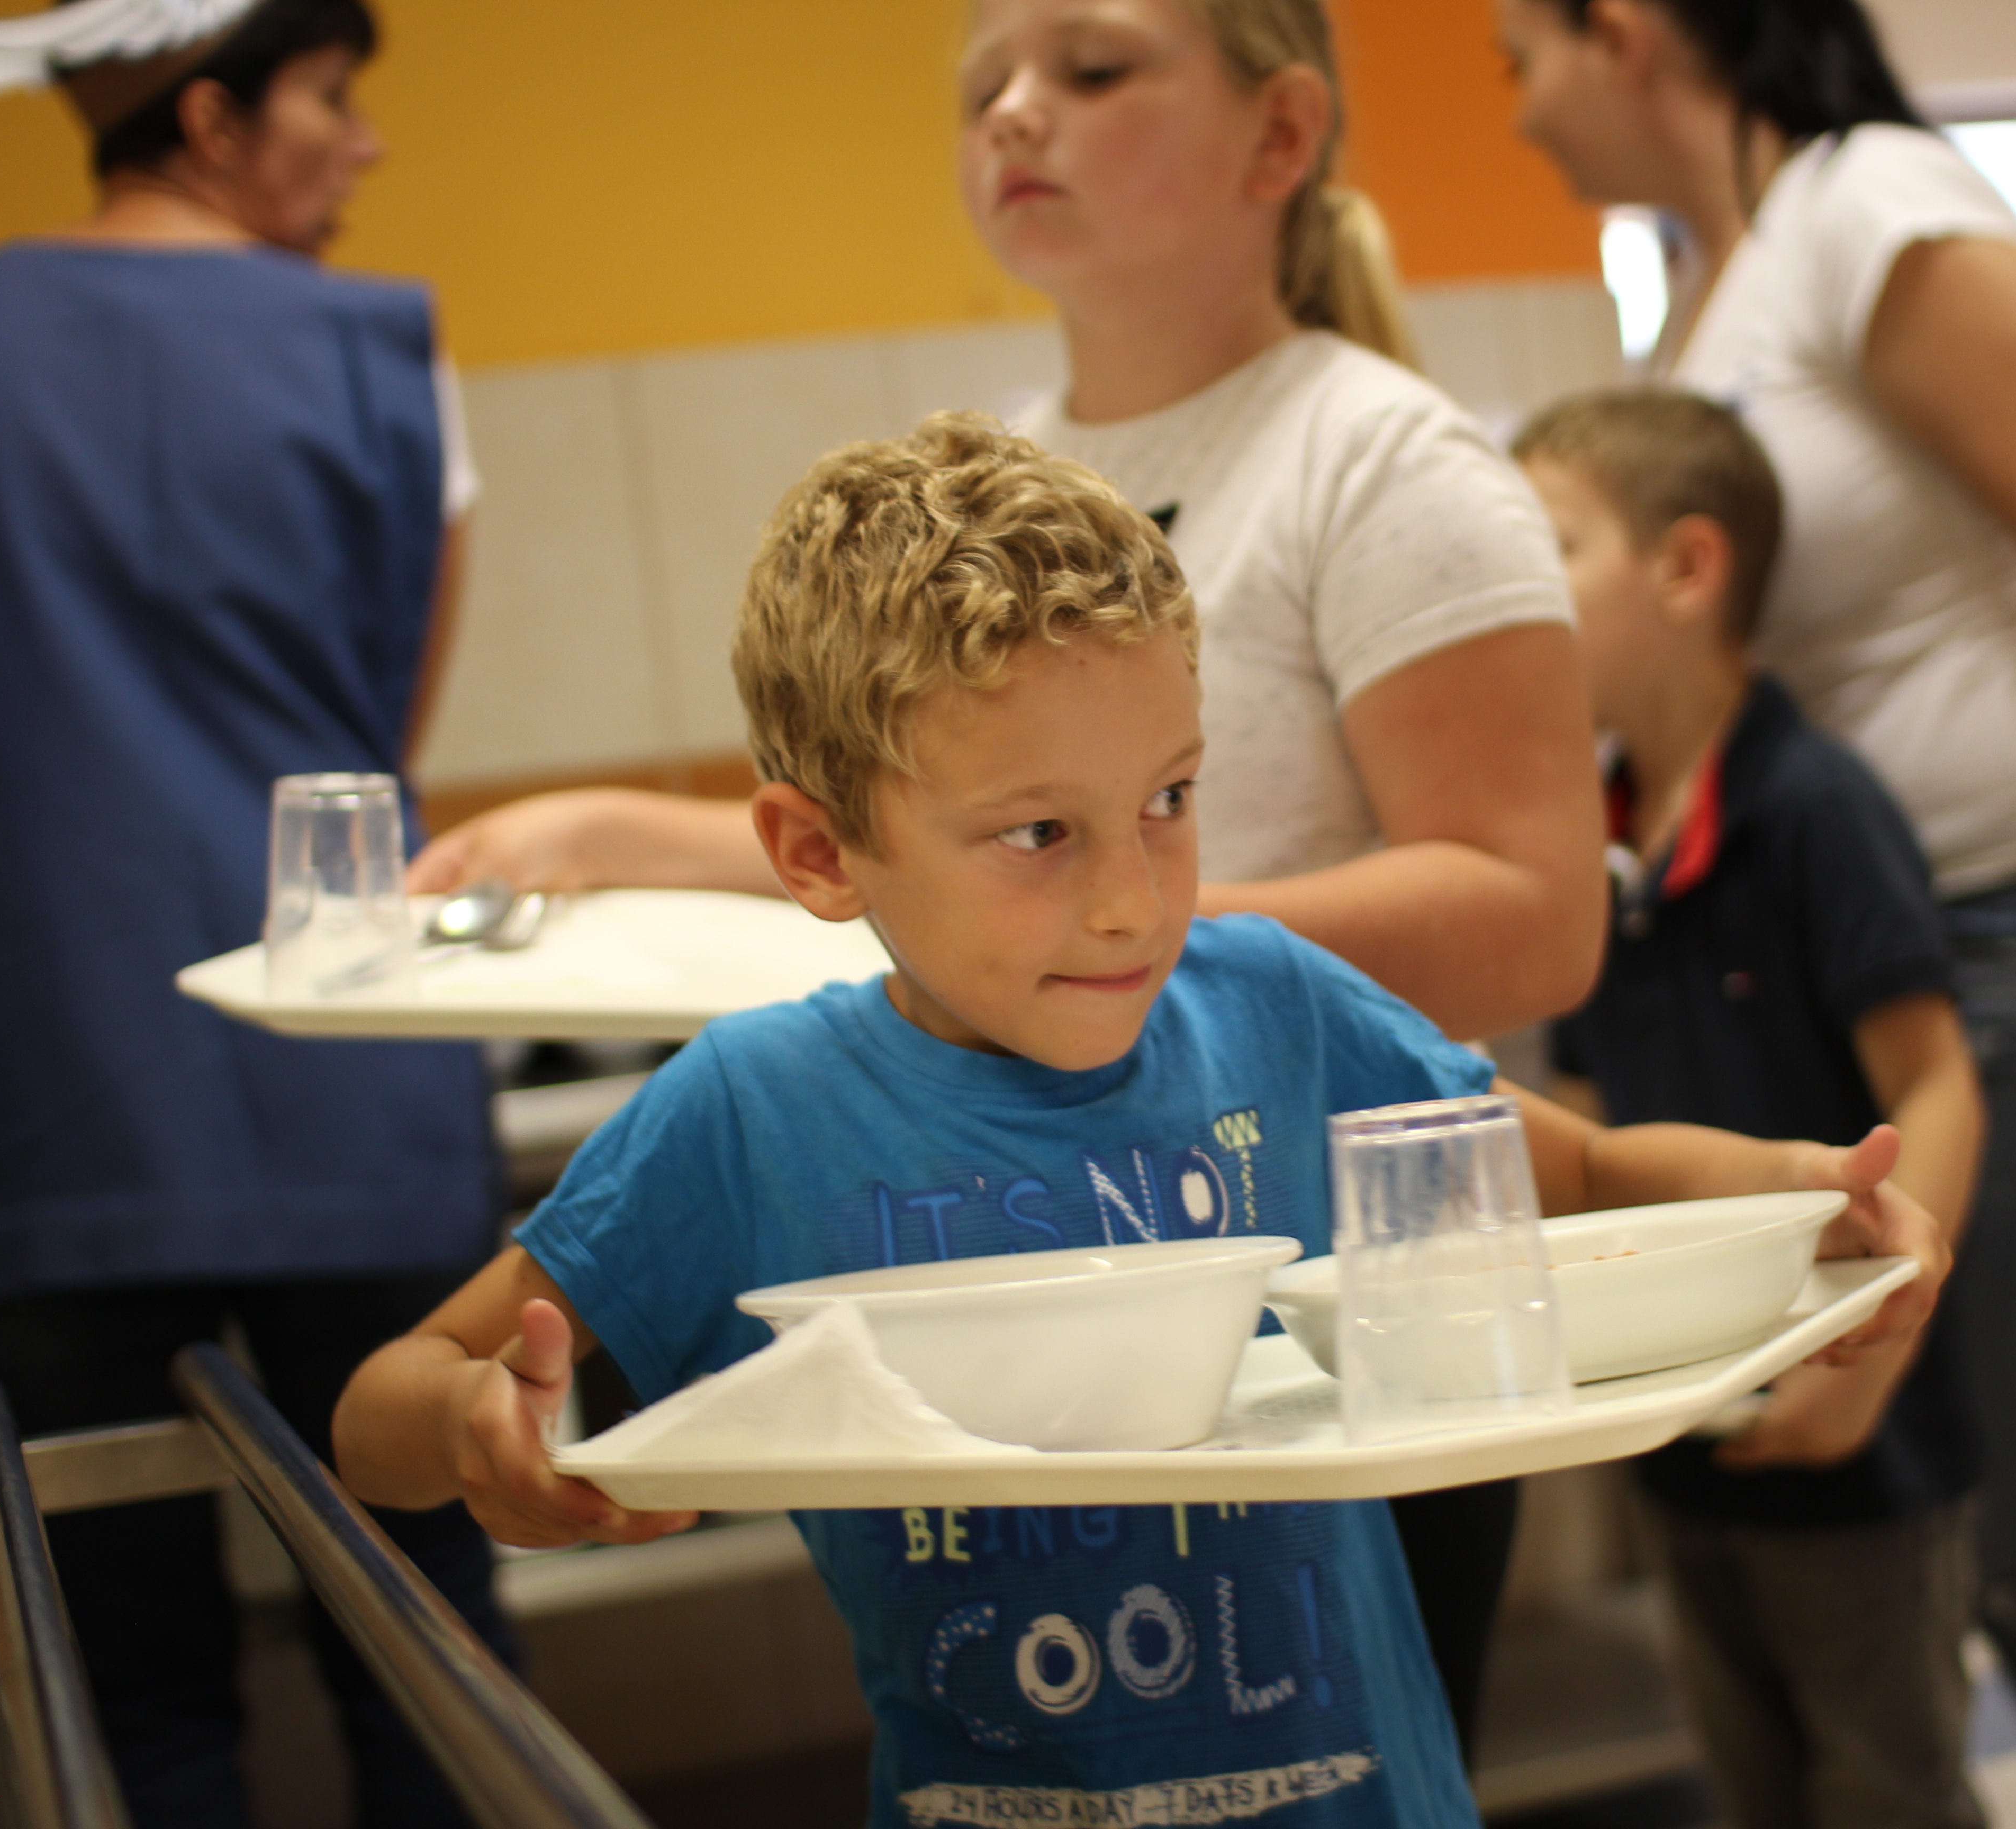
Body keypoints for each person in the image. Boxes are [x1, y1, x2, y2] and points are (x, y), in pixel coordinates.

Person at [334, 412, 1951, 1829]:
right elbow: (375, 1418)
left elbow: (1584, 1172)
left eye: (1170, 801)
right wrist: (483, 1430)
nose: (1134, 900)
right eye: (1039, 833)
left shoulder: (1275, 1014)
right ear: (820, 854)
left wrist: (1801, 1194)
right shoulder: (753, 1115)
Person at [404, 0, 1608, 1756]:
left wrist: (1150, 956)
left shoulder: (1384, 460)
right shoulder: (1026, 470)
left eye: (1093, 70)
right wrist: (626, 835)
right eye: (985, 86)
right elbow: (927, 822)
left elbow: (1539, 910)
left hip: (1313, 1279)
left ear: (1281, 137)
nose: (1017, 116)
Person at [0, 3, 510, 1821]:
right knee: (423, 1632)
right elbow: (371, 740)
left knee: (108, 1684)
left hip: (39, 1085)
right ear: (212, 119)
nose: (364, 143)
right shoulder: (382, 351)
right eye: (333, 98)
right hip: (340, 1063)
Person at [1495, 4, 2016, 1824]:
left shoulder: (1868, 200)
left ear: (1628, 34)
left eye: (1519, 59)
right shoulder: (1717, 287)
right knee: (1995, 1529)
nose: (1519, 116)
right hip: (1896, 950)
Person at [1519, 390, 1986, 1829]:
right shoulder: (1593, 836)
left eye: (1552, 547)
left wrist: (1868, 1367)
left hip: (1854, 1437)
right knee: (1753, 1785)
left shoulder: (1813, 807)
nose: (1516, 594)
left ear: (1687, 568)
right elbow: (1586, 1115)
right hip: (1690, 1433)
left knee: (1888, 1790)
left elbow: (1939, 1085)